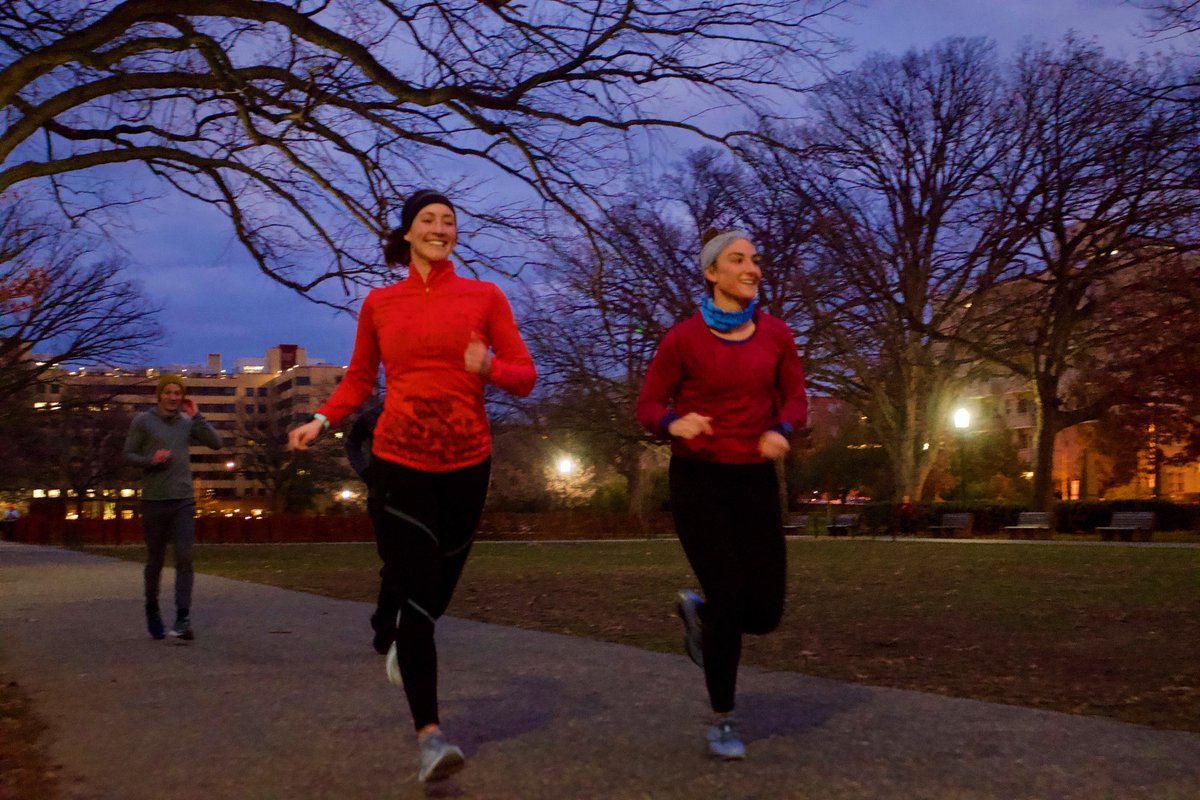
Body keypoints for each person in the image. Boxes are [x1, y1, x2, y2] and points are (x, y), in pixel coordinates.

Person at [288, 189, 535, 784]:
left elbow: (525, 377)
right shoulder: (380, 303)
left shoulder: (485, 296)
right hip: (401, 460)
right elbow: (359, 381)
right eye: (429, 219)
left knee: (437, 595)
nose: (441, 227)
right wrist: (321, 420)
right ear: (405, 235)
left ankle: (407, 639)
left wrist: (489, 367)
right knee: (418, 598)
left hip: (467, 463)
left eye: (449, 221)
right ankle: (430, 738)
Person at [636, 228, 808, 760]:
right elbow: (647, 404)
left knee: (766, 612)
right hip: (699, 481)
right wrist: (672, 422)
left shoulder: (776, 334)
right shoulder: (683, 339)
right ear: (712, 273)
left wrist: (782, 428)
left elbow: (797, 398)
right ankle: (723, 719)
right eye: (738, 260)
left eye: (755, 260)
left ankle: (700, 611)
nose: (752, 269)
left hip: (753, 479)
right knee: (731, 596)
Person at [123, 374, 222, 641]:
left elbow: (216, 443)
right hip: (154, 500)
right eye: (168, 392)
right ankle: (152, 608)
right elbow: (128, 455)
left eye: (177, 393)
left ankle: (182, 617)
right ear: (160, 395)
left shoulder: (186, 423)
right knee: (155, 560)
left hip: (183, 500)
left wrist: (198, 416)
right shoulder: (143, 421)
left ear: (183, 396)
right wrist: (150, 460)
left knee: (184, 557)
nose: (173, 397)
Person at [344, 397, 392, 654]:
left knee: (416, 563)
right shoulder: (374, 415)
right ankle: (385, 624)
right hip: (383, 497)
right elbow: (352, 444)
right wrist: (366, 473)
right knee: (394, 562)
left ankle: (391, 621)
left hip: (418, 496)